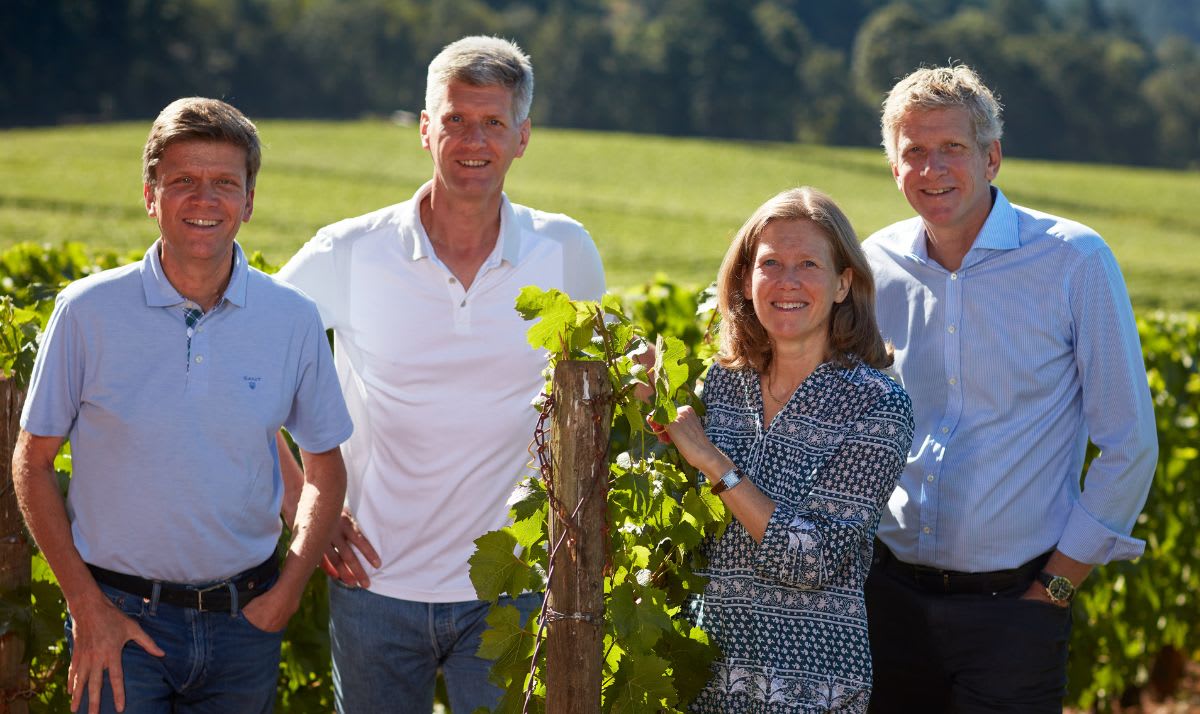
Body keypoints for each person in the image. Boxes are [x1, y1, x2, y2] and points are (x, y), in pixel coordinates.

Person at [273, 35, 605, 713]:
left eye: (493, 122)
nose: (472, 140)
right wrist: (303, 500)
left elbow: (594, 399)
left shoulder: (565, 251)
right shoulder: (350, 251)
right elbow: (241, 367)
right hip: (373, 589)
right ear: (426, 130)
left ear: (523, 137)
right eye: (454, 120)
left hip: (511, 594)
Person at [11, 97, 352, 714]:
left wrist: (287, 595)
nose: (205, 199)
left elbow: (327, 469)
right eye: (183, 182)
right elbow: (31, 465)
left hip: (244, 626)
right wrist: (86, 607)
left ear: (249, 202)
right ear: (151, 195)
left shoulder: (293, 319)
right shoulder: (86, 312)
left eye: (225, 183)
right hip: (115, 622)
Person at [862, 64, 1159, 713]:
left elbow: (1129, 444)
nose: (932, 169)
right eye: (914, 152)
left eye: (952, 149)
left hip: (1014, 614)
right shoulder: (873, 265)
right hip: (888, 605)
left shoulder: (1074, 261)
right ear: (894, 168)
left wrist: (1053, 590)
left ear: (991, 157)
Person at [650, 187, 913, 712]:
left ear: (843, 284)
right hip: (705, 673)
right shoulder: (723, 386)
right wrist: (650, 404)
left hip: (809, 685)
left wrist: (715, 465)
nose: (787, 281)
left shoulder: (877, 405)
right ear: (747, 282)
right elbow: (687, 524)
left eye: (808, 264)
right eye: (770, 263)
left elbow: (810, 561)